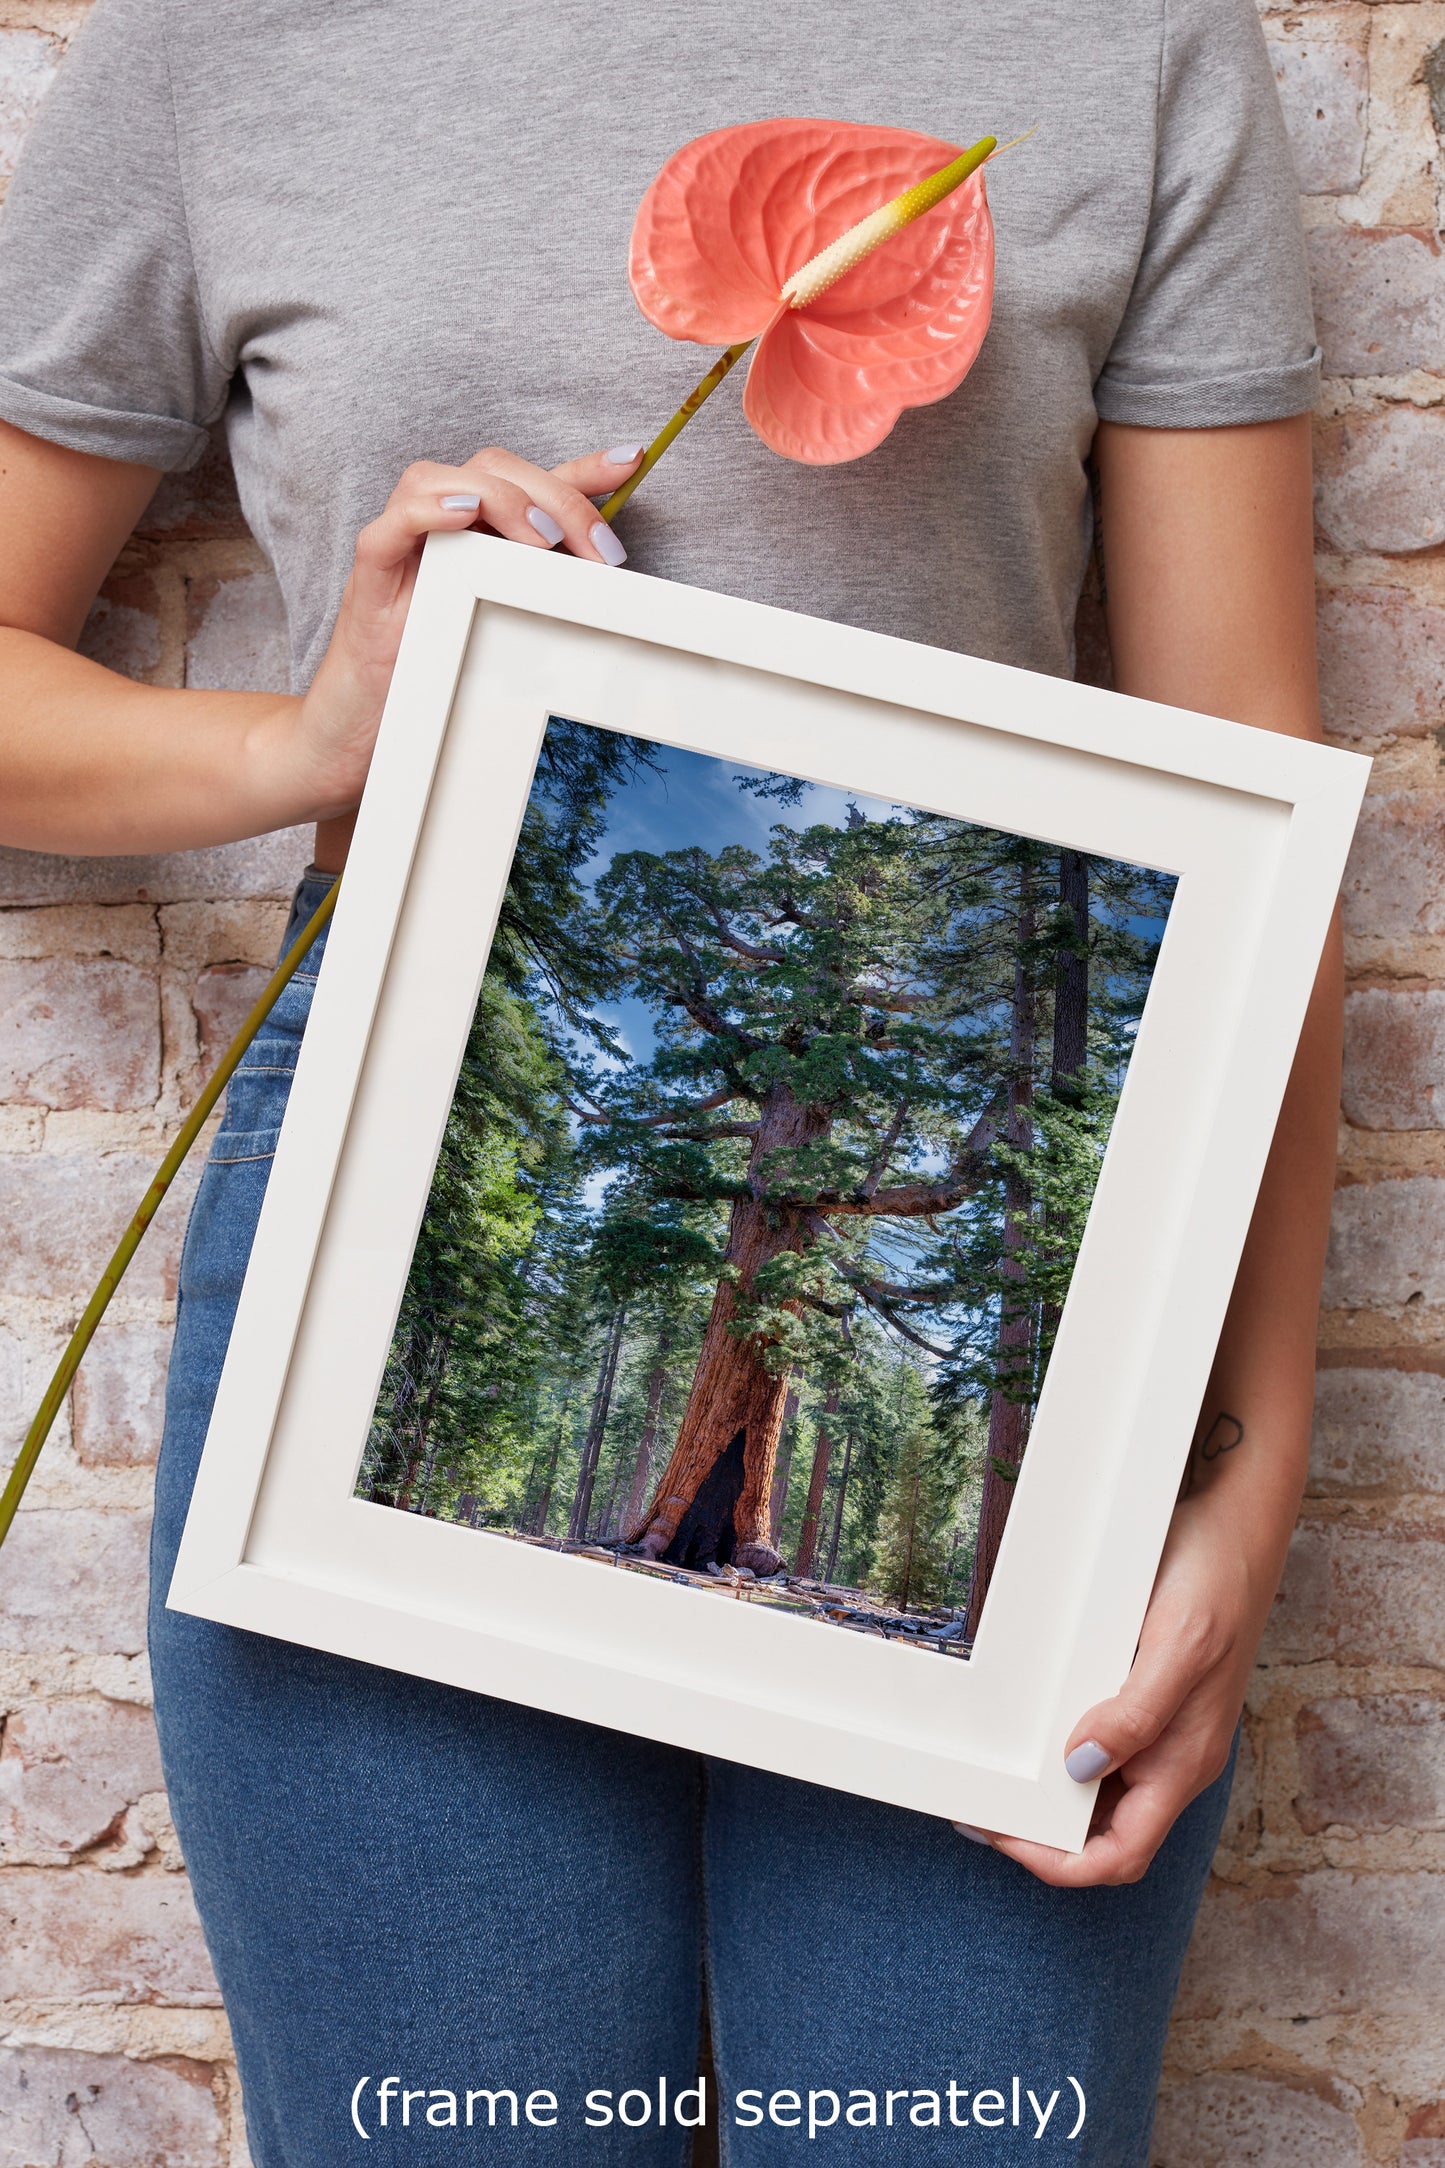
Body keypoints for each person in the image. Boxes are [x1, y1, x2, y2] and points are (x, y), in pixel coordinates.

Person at [0, 0, 1338, 2160]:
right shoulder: (216, 45)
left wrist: (1245, 1464)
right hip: (383, 1192)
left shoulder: (1130, 36)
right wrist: (297, 742)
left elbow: (1267, 828)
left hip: (1017, 1251)